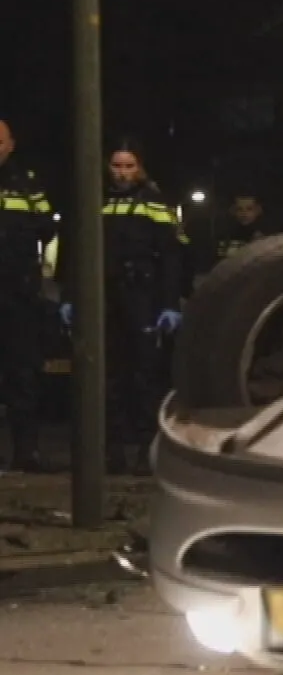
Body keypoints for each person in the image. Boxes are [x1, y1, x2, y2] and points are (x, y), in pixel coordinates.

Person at [55, 139, 185, 475]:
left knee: (145, 377)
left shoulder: (155, 202)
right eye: (117, 165)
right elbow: (75, 251)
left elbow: (172, 256)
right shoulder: (94, 200)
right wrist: (69, 295)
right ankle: (111, 452)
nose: (123, 172)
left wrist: (170, 303)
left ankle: (147, 451)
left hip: (143, 297)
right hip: (104, 297)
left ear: (139, 167)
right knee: (107, 377)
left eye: (129, 165)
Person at [0, 119, 56, 472]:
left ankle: (26, 451)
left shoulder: (27, 186)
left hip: (18, 292)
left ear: (10, 144)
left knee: (22, 373)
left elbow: (48, 226)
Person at [194, 190, 268, 287]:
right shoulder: (225, 238)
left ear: (258, 210)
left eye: (249, 209)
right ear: (233, 211)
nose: (244, 213)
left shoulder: (265, 238)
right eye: (239, 209)